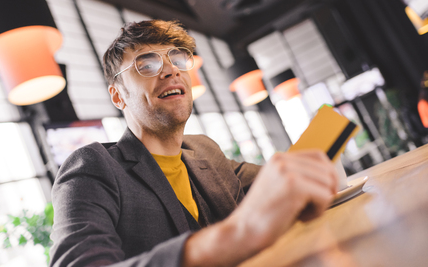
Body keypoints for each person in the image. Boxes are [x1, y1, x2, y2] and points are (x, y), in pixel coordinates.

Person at [49, 20, 338, 267]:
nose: (170, 71)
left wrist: (328, 132)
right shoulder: (93, 168)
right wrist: (237, 234)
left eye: (176, 60)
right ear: (118, 96)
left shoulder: (204, 150)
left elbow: (282, 179)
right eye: (147, 64)